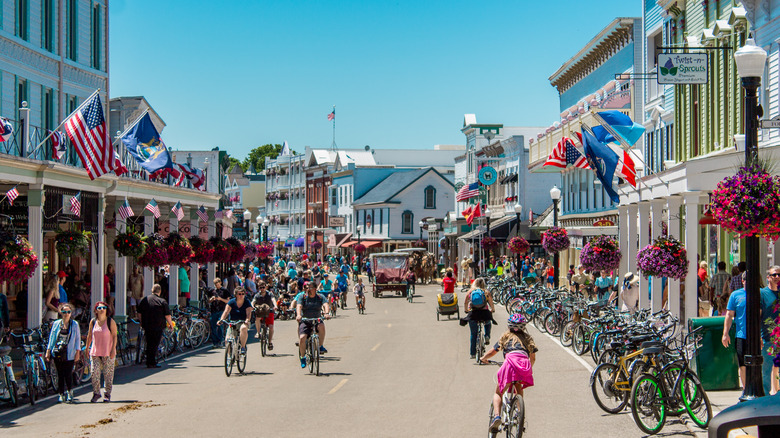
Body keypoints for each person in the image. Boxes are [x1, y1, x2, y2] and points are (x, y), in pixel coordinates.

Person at [480, 314, 537, 434]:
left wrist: (484, 358)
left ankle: (496, 417)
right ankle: (520, 415)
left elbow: (493, 351)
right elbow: (533, 357)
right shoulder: (528, 338)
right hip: (524, 365)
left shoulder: (506, 337)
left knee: (498, 392)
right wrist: (529, 368)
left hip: (510, 363)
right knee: (518, 386)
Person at [45, 303, 81, 403]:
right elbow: (52, 338)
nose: (66, 314)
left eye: (68, 312)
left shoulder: (74, 324)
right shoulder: (56, 324)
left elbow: (77, 339)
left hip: (69, 353)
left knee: (68, 373)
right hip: (58, 352)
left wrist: (78, 352)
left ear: (71, 313)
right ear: (61, 312)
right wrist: (48, 351)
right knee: (60, 374)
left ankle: (70, 392)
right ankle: (61, 394)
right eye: (64, 312)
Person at [85, 301, 117, 403]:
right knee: (94, 373)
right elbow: (90, 335)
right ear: (96, 310)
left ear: (106, 310)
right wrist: (87, 348)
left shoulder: (110, 321)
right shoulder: (93, 322)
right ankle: (96, 393)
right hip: (95, 351)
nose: (102, 310)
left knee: (108, 374)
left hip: (108, 351)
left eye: (103, 308)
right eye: (99, 308)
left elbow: (115, 335)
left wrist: (113, 350)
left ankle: (107, 393)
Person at [295, 281, 331, 368]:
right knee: (302, 338)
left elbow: (326, 304)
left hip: (316, 319)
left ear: (315, 289)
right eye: (307, 288)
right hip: (306, 320)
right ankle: (303, 357)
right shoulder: (302, 297)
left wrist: (326, 313)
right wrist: (299, 315)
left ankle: (320, 345)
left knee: (321, 326)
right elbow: (299, 306)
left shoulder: (319, 297)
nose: (308, 290)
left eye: (310, 288)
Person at [137, 284, 173, 368]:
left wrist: (141, 322)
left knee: (149, 343)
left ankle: (149, 361)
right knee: (155, 344)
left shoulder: (145, 300)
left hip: (147, 325)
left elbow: (139, 313)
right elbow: (167, 315)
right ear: (159, 291)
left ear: (152, 290)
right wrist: (170, 324)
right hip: (158, 325)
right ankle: (152, 362)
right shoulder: (162, 301)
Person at [722, 272, 747, 388]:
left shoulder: (760, 294)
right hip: (741, 335)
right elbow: (729, 314)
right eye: (746, 279)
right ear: (742, 281)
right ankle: (746, 389)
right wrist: (725, 334)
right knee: (742, 364)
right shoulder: (736, 295)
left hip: (758, 336)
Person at [463, 278, 496, 359]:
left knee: (473, 334)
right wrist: (492, 309)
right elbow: (491, 302)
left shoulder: (470, 291)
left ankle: (473, 353)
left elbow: (465, 302)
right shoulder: (486, 292)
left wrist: (466, 310)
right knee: (488, 322)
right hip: (484, 313)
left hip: (473, 313)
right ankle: (487, 335)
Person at [760, 265, 780, 395]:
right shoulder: (762, 294)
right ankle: (766, 399)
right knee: (765, 372)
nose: (777, 277)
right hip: (768, 339)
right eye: (774, 275)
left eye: (779, 275)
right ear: (768, 277)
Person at [218, 286, 253, 355]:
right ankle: (229, 356)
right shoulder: (232, 302)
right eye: (239, 294)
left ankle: (243, 347)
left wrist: (247, 320)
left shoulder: (246, 302)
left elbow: (248, 313)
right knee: (227, 340)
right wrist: (221, 320)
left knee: (243, 328)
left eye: (243, 294)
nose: (241, 295)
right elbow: (226, 312)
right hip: (233, 322)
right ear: (236, 294)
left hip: (242, 321)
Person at [252, 282, 277, 350]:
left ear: (266, 287)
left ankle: (270, 342)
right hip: (260, 311)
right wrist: (252, 306)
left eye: (263, 287)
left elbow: (273, 299)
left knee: (271, 327)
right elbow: (253, 301)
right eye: (260, 288)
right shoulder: (257, 295)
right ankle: (258, 332)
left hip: (269, 311)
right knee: (257, 318)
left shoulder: (269, 294)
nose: (262, 289)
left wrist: (275, 306)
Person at [208, 278, 231, 347]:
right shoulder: (212, 291)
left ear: (220, 283)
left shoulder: (225, 291)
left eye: (217, 284)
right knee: (213, 326)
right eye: (215, 284)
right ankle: (215, 342)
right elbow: (208, 301)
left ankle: (221, 340)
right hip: (214, 309)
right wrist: (211, 299)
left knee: (220, 325)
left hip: (222, 309)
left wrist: (220, 299)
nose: (216, 286)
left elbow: (228, 301)